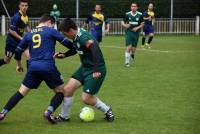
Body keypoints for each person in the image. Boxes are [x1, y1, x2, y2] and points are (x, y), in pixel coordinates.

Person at [0, 14, 76, 124]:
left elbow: (17, 51)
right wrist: (68, 51)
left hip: (33, 67)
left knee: (21, 92)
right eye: (52, 25)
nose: (52, 27)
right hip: (48, 66)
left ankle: (3, 112)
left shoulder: (29, 34)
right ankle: (49, 112)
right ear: (49, 22)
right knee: (61, 92)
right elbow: (69, 44)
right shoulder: (50, 31)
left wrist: (19, 64)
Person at [54, 18, 114, 122]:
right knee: (67, 90)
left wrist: (95, 69)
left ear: (71, 30)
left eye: (65, 34)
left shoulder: (83, 37)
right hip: (85, 68)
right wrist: (64, 55)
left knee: (86, 98)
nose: (64, 36)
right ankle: (64, 116)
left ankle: (107, 110)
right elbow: (75, 48)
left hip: (96, 69)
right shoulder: (76, 36)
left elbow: (94, 48)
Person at [0, 0, 30, 68]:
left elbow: (26, 25)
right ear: (19, 6)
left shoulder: (25, 16)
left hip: (20, 41)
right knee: (7, 60)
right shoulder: (16, 17)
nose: (24, 7)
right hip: (11, 42)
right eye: (22, 5)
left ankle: (30, 77)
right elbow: (11, 31)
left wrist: (31, 33)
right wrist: (21, 38)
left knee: (28, 55)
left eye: (26, 6)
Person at [121, 3, 144, 67]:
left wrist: (137, 28)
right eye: (132, 6)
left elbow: (142, 24)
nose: (133, 7)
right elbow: (122, 22)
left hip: (136, 33)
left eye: (135, 6)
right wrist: (125, 25)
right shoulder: (127, 14)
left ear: (137, 7)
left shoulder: (140, 15)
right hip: (128, 32)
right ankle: (127, 63)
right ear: (131, 7)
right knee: (129, 47)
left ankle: (132, 54)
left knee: (133, 49)